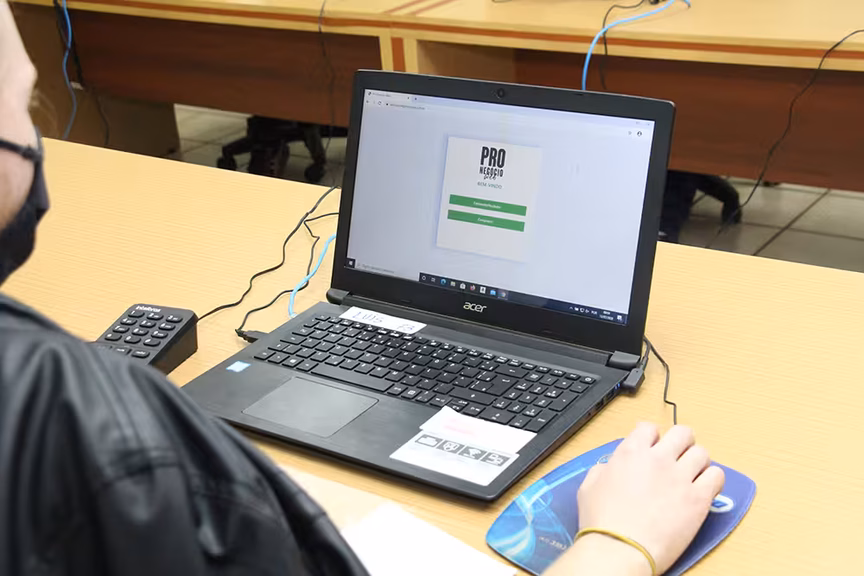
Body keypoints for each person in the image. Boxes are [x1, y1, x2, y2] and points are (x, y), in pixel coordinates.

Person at [0, 5, 724, 575]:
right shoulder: (70, 418)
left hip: (504, 358)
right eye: (30, 108)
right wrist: (620, 543)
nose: (38, 138)